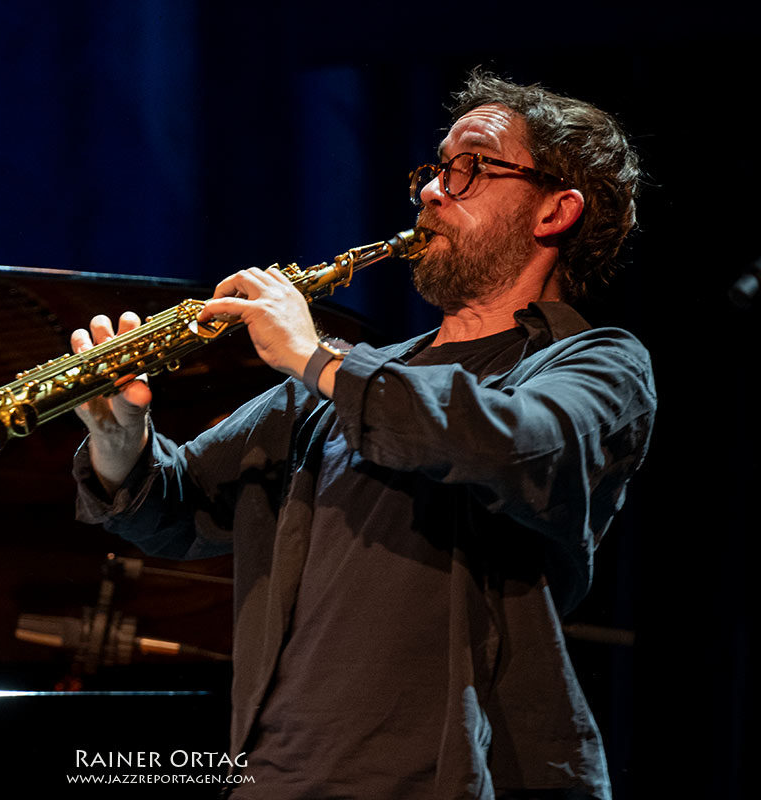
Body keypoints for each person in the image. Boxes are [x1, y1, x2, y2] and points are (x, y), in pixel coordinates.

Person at [70, 70, 655, 799]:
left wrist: (315, 358)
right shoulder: (334, 384)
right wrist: (120, 435)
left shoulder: (597, 362)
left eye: (472, 167)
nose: (433, 191)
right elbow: (175, 507)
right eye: (436, 169)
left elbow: (515, 444)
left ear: (554, 210)